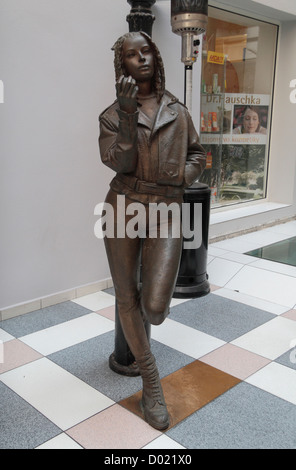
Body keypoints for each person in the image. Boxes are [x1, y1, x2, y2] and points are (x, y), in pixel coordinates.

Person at [99, 31, 206, 430]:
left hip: (165, 208)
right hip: (123, 206)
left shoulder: (177, 110)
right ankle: (150, 382)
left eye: (146, 51)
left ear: (156, 58)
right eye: (131, 54)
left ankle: (144, 357)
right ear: (121, 64)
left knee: (155, 308)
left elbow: (197, 153)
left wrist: (183, 175)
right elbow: (119, 163)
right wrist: (127, 117)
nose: (140, 59)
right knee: (127, 294)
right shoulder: (112, 115)